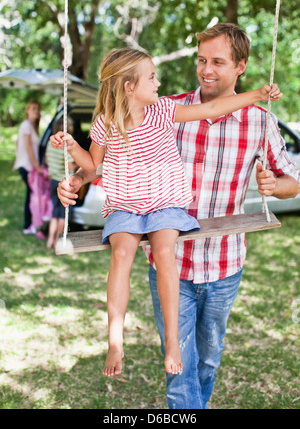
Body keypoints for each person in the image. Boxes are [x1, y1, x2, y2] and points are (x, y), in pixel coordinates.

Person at [50, 46, 282, 379]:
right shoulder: (106, 123)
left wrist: (257, 94)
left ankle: (173, 340)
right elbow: (93, 165)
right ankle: (115, 341)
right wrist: (73, 148)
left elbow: (212, 107)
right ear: (130, 87)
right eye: (152, 77)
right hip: (125, 205)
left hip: (164, 203)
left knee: (163, 252)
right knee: (121, 255)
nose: (158, 83)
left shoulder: (161, 111)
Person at [14, 100, 45, 238]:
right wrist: (37, 166)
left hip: (29, 166)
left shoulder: (32, 126)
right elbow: (27, 147)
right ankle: (28, 226)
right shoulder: (26, 125)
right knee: (32, 196)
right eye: (33, 108)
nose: (36, 111)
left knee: (32, 195)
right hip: (28, 167)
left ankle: (31, 224)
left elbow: (17, 143)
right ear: (27, 110)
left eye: (38, 109)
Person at [45, 118, 77, 249]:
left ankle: (50, 241)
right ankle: (58, 241)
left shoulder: (50, 143)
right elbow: (69, 166)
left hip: (53, 181)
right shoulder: (65, 145)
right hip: (64, 183)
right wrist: (79, 163)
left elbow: (47, 161)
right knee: (63, 214)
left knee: (54, 213)